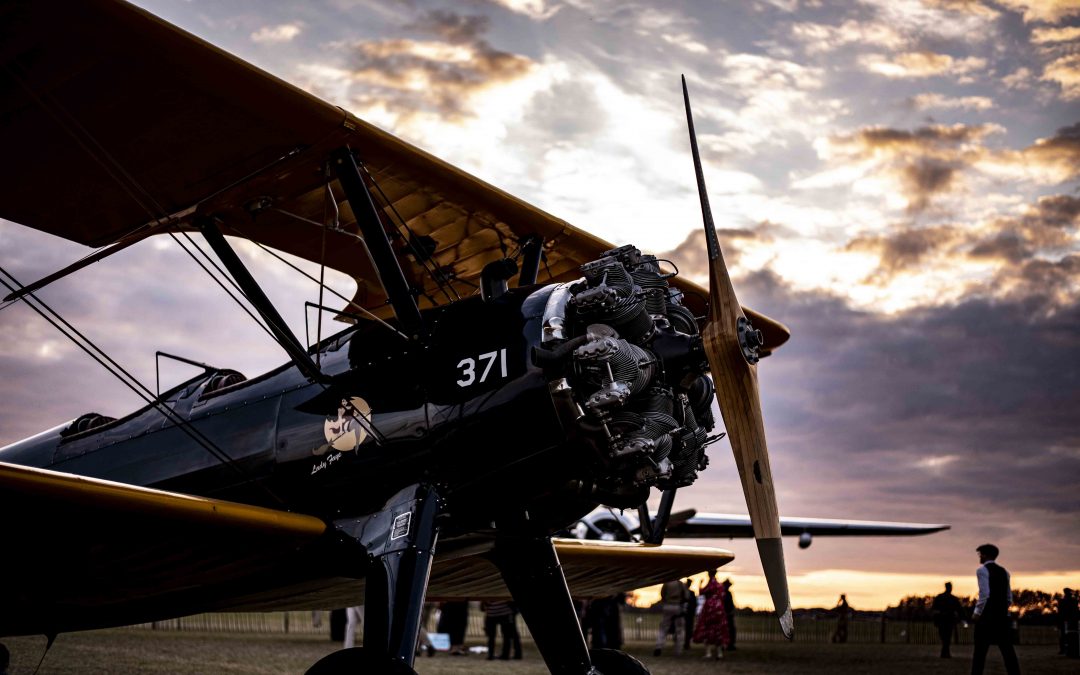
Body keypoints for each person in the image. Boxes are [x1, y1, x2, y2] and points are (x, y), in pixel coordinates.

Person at [971, 543, 1021, 675]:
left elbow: (984, 594)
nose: (979, 557)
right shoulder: (1005, 572)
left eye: (980, 554)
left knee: (980, 652)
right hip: (1002, 616)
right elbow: (1009, 597)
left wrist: (977, 612)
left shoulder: (981, 570)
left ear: (985, 555)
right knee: (1007, 650)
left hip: (986, 617)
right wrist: (1002, 610)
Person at [692, 568, 730, 660]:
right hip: (719, 608)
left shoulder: (710, 585)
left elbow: (701, 592)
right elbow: (723, 595)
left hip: (709, 608)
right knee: (718, 630)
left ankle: (708, 652)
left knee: (707, 629)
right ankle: (719, 653)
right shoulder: (719, 585)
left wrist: (700, 584)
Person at [654, 578, 690, 656]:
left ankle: (658, 646)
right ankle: (678, 650)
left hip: (667, 606)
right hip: (677, 606)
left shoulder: (666, 583)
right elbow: (686, 597)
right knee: (679, 629)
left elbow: (662, 594)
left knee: (663, 628)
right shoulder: (681, 584)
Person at [932, 582, 965, 658]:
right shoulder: (948, 598)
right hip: (945, 620)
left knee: (946, 637)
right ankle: (945, 652)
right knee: (945, 637)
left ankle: (945, 652)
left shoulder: (942, 597)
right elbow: (959, 610)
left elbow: (959, 609)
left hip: (947, 620)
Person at [1060, 587, 1079, 658]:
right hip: (1069, 620)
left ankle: (1065, 649)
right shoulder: (1072, 600)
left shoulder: (1064, 600)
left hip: (1068, 620)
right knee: (1067, 635)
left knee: (1066, 635)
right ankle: (1066, 649)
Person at [722, 579, 737, 651]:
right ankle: (723, 645)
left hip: (729, 614)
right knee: (723, 630)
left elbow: (732, 604)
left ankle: (731, 644)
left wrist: (732, 611)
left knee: (731, 630)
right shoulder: (722, 593)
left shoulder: (729, 593)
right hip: (723, 615)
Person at [683, 579, 697, 651]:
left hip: (688, 613)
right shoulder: (688, 593)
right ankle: (686, 643)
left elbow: (694, 604)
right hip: (685, 613)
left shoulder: (691, 593)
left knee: (688, 629)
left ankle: (686, 643)